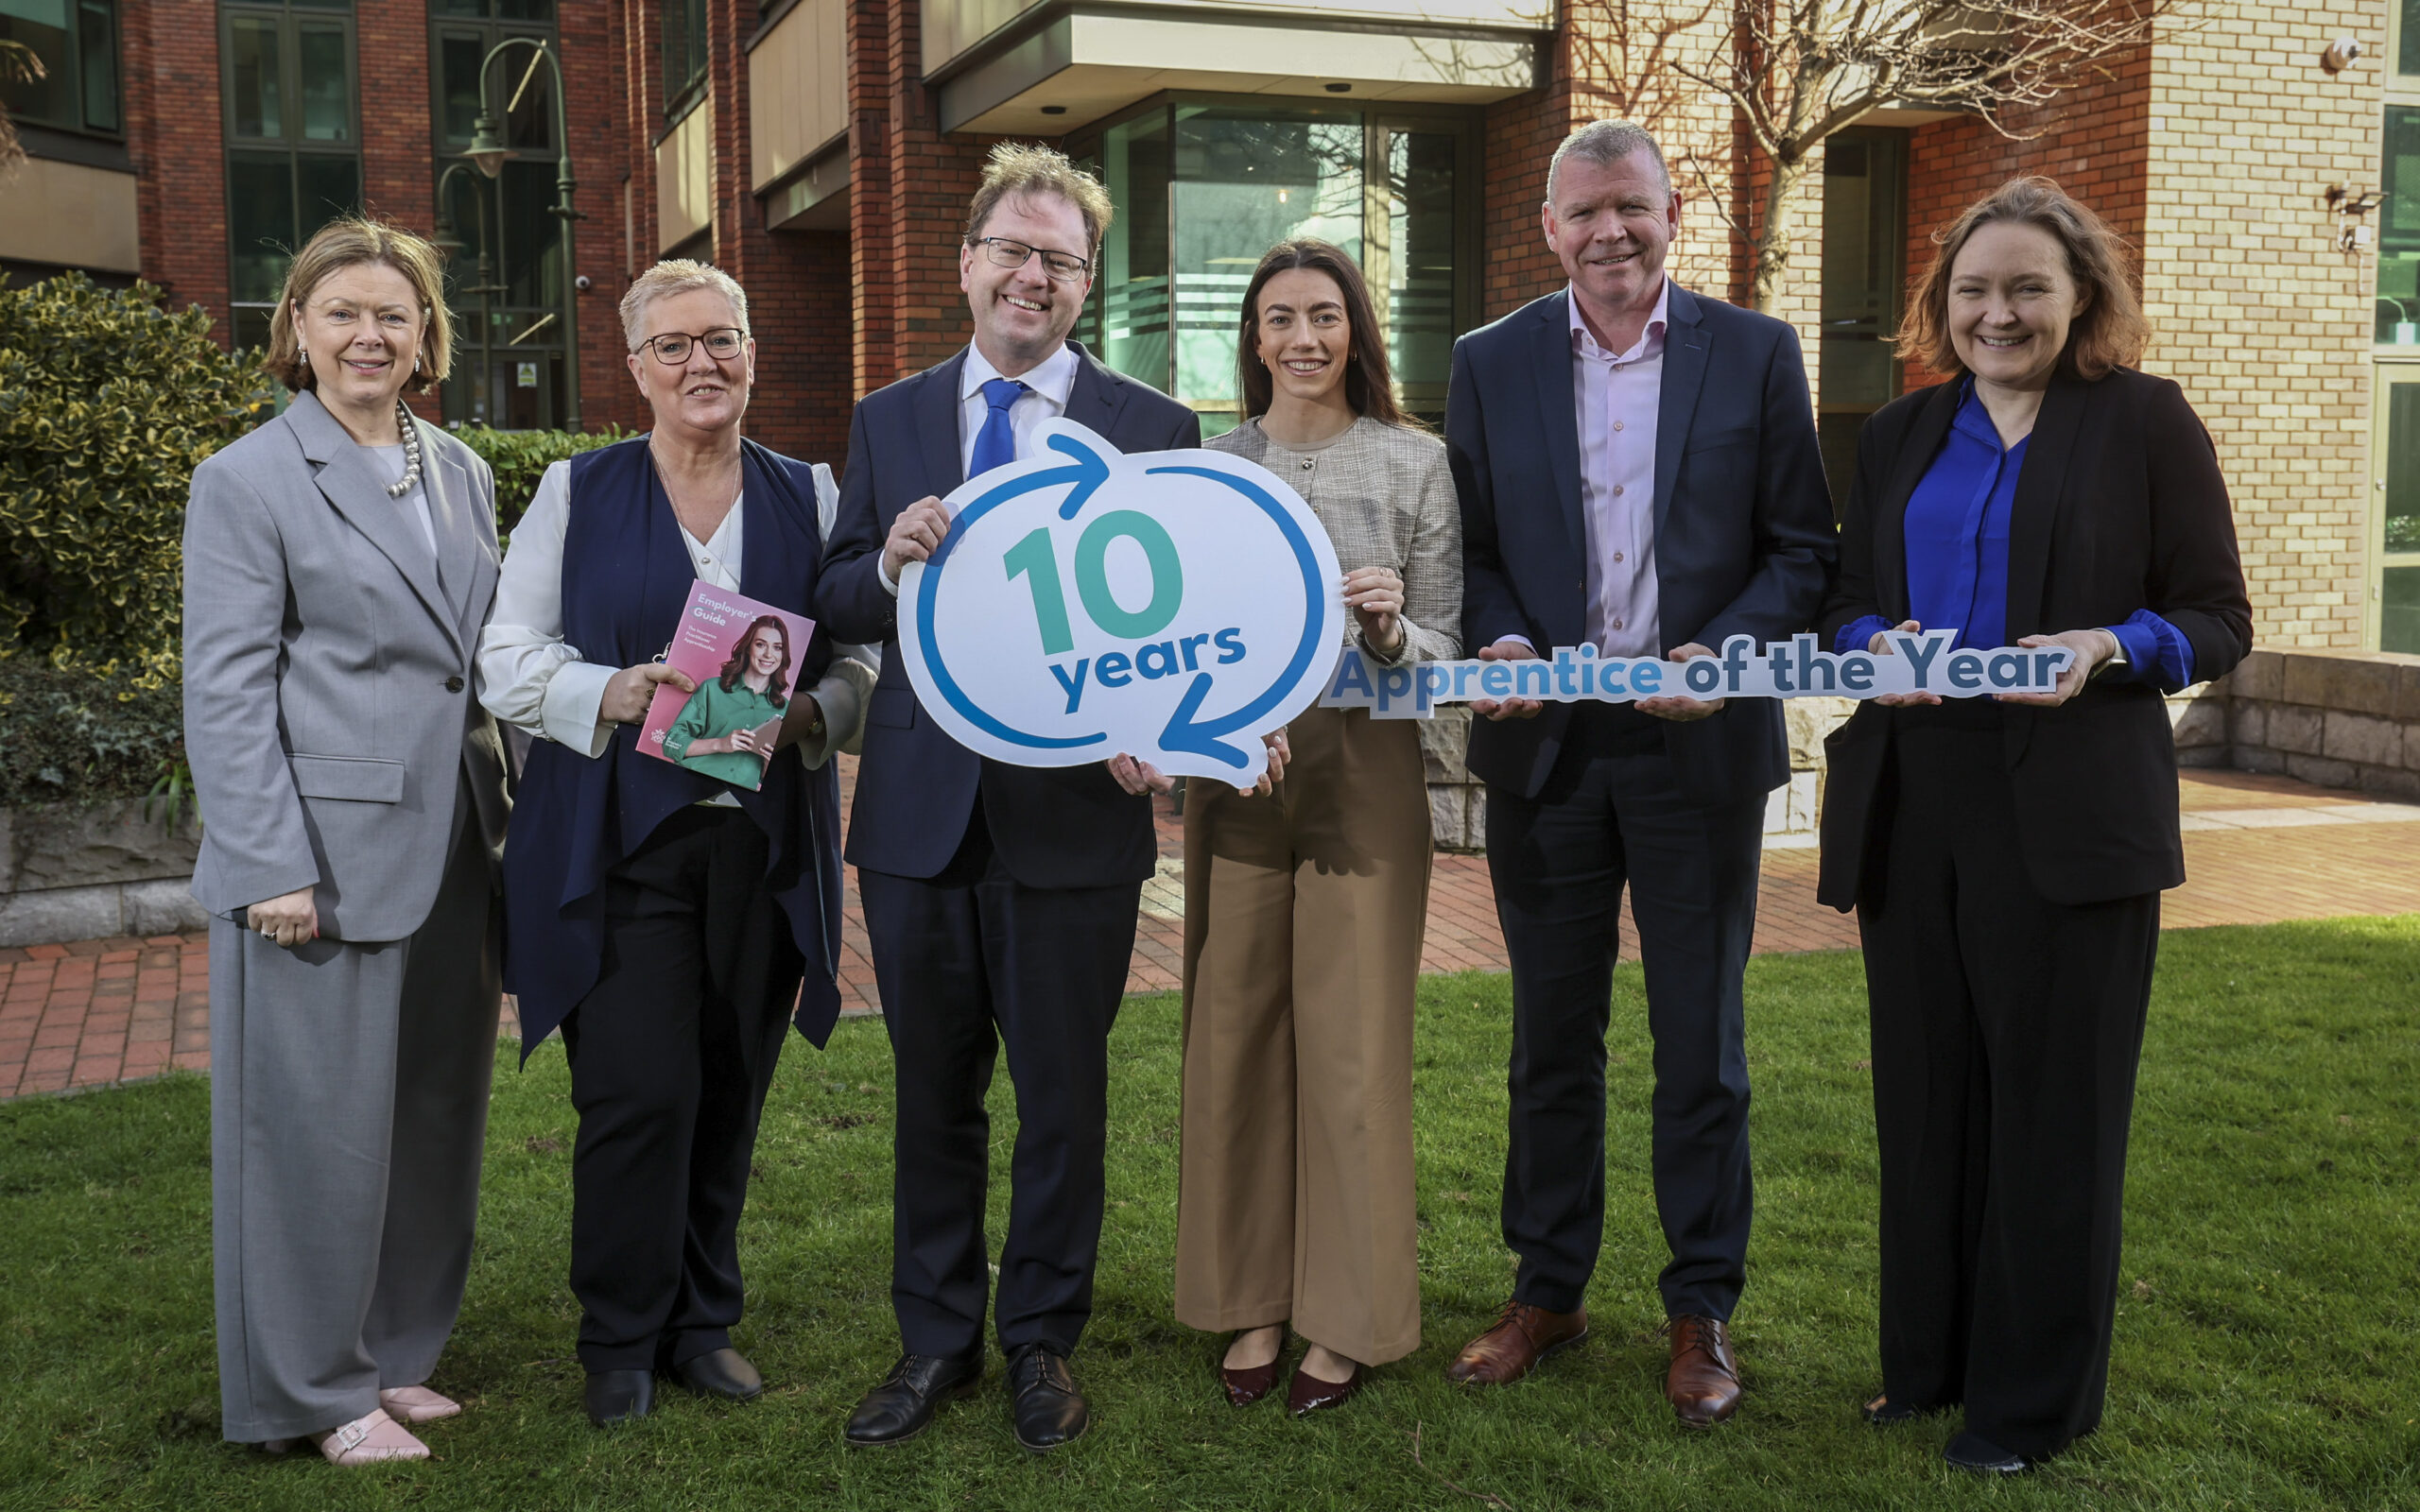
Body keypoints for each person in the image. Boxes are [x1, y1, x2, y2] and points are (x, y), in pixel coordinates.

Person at [1815, 176, 2250, 1475]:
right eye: (1973, 291)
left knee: (2055, 1113)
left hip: (2073, 807)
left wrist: (2109, 644)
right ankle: (1926, 1369)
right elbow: (1844, 595)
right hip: (1914, 801)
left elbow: (2218, 616)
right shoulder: (1902, 429)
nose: (1996, 314)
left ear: (2081, 297)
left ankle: (2028, 1404)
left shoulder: (2145, 422)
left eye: (2026, 289)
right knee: (1927, 1099)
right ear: (1940, 303)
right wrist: (1869, 641)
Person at [1443, 119, 1837, 1426]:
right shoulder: (1489, 359)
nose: (1609, 231)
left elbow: (1802, 550)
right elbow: (1471, 546)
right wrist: (1502, 637)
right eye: (1585, 212)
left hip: (1696, 747)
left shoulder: (1757, 351)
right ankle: (1547, 1289)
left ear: (1674, 212)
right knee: (1550, 1040)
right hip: (1547, 750)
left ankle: (1699, 1307)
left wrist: (1724, 650)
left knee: (1699, 1046)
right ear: (1549, 229)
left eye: (1631, 206)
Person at [820, 142, 1201, 1452]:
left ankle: (1042, 1337)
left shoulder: (1153, 427)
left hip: (1075, 820)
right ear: (967, 263)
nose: (1032, 276)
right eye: (1013, 251)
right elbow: (834, 590)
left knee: (1062, 1099)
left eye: (1061, 259)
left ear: (1088, 282)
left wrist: (1159, 733)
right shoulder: (889, 417)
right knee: (932, 1096)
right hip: (920, 819)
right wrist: (888, 560)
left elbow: (1178, 616)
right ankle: (935, 1340)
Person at [478, 260, 870, 1428]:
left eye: (722, 339)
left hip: (759, 843)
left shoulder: (811, 492)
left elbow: (862, 653)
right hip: (618, 843)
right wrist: (605, 690)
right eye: (674, 345)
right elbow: (504, 652)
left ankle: (702, 1323)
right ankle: (619, 1336)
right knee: (637, 1089)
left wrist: (813, 715)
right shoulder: (577, 489)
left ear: (752, 352)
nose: (703, 362)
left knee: (730, 1082)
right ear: (636, 367)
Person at [182, 215, 510, 1465]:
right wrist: (268, 863)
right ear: (298, 329)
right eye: (343, 313)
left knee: (431, 1114)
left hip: (458, 844)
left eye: (393, 314)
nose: (369, 335)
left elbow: (478, 659)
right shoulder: (247, 480)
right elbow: (225, 689)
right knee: (311, 1135)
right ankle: (313, 1391)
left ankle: (393, 1354)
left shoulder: (459, 467)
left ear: (426, 334)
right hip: (318, 861)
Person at [1174, 239, 1460, 1416]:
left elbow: (1442, 644)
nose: (1303, 338)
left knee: (1350, 1047)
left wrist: (1391, 631)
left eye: (1325, 316)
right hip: (1237, 772)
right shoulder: (1208, 466)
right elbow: (1176, 636)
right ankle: (1248, 1297)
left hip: (1363, 763)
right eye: (1281, 316)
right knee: (1231, 1030)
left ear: (1356, 332)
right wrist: (1208, 721)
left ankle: (1346, 1319)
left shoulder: (1416, 463)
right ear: (1252, 336)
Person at [662, 614, 793, 787]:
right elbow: (670, 743)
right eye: (760, 644)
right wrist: (720, 744)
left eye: (777, 647)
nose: (769, 654)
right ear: (748, 648)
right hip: (689, 785)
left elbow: (776, 782)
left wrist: (769, 766)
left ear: (783, 654)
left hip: (740, 799)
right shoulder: (712, 689)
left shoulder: (786, 709)